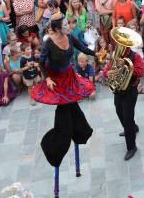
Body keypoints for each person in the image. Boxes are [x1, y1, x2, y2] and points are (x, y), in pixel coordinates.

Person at [30, 13, 95, 176]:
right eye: (65, 23)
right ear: (58, 27)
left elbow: (83, 48)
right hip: (55, 79)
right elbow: (41, 63)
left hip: (69, 76)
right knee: (64, 109)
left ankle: (77, 132)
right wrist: (48, 79)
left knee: (72, 108)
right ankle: (55, 141)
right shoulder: (49, 43)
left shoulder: (70, 36)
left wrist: (97, 54)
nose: (68, 25)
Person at [102, 27, 144, 161]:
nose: (119, 45)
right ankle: (132, 128)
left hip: (130, 90)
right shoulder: (116, 55)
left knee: (127, 116)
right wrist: (107, 73)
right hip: (119, 89)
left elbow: (140, 72)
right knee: (118, 111)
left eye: (122, 43)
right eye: (119, 42)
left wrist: (126, 67)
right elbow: (107, 69)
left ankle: (131, 147)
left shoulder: (135, 56)